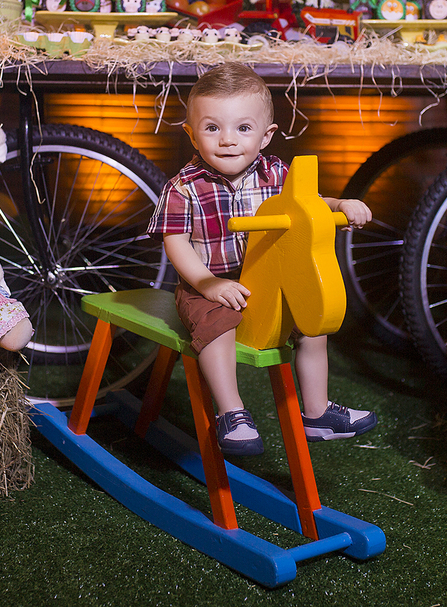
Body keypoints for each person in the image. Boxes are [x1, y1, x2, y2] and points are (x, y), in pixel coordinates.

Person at [148, 62, 377, 456]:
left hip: (267, 278)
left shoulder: (276, 174)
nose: (227, 140)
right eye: (212, 128)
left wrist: (340, 204)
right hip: (208, 284)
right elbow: (176, 244)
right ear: (191, 133)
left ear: (266, 135)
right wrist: (207, 283)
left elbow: (309, 204)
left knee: (311, 319)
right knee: (217, 324)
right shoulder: (182, 188)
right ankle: (232, 412)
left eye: (243, 128)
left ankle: (317, 412)